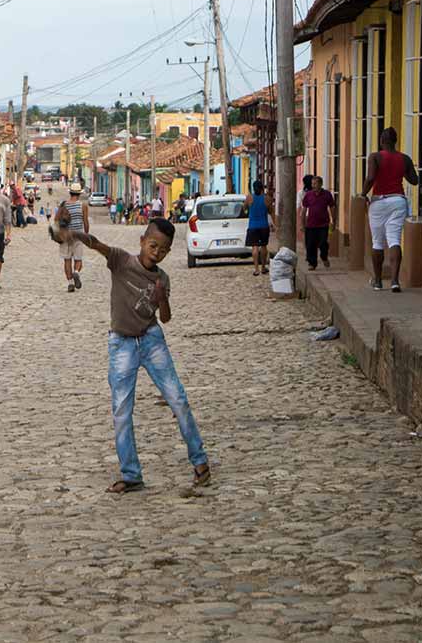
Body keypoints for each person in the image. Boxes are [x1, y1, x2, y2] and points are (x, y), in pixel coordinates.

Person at [53, 219, 210, 493]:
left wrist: (162, 298)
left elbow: (166, 318)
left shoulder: (163, 278)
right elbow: (97, 245)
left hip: (151, 340)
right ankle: (131, 473)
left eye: (163, 250)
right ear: (141, 241)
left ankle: (201, 463)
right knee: (122, 411)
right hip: (122, 343)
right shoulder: (122, 261)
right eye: (153, 246)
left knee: (178, 399)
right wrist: (74, 234)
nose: (156, 253)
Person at [363, 127, 419, 292]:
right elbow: (414, 180)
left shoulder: (375, 157)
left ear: (381, 140)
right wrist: (403, 170)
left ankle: (378, 281)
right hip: (398, 201)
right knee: (394, 239)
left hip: (379, 201)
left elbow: (371, 178)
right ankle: (395, 281)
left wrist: (362, 193)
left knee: (377, 242)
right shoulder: (405, 158)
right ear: (396, 141)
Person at [57, 182, 90, 293]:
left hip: (66, 235)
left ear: (70, 192)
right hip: (78, 235)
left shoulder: (64, 205)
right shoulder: (83, 205)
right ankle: (76, 272)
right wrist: (86, 235)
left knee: (67, 260)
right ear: (79, 193)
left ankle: (70, 283)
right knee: (78, 259)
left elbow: (57, 220)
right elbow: (85, 221)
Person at [302, 175, 336, 271]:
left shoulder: (327, 194)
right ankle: (312, 263)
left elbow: (332, 207)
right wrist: (302, 224)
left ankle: (324, 257)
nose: (313, 186)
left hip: (323, 224)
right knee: (310, 245)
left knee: (323, 243)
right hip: (311, 224)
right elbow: (304, 210)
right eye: (312, 184)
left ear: (321, 184)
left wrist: (334, 221)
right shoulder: (308, 195)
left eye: (315, 184)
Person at [244, 180, 275, 276]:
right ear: (262, 188)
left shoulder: (249, 198)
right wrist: (275, 224)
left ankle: (256, 269)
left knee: (255, 247)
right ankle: (263, 267)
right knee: (264, 246)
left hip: (253, 226)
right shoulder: (267, 199)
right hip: (264, 226)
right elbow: (271, 212)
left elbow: (244, 208)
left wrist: (248, 210)